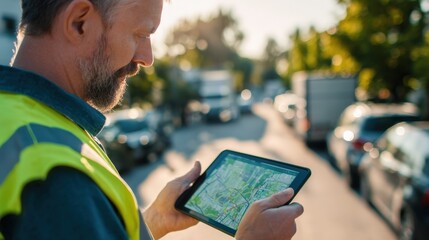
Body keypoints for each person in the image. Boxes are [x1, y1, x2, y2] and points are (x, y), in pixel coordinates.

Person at [0, 0, 304, 239]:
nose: (147, 58)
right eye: (141, 34)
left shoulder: (22, 119)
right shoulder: (57, 174)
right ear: (79, 22)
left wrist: (153, 221)